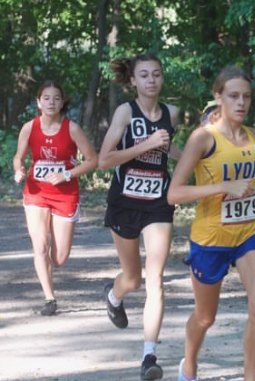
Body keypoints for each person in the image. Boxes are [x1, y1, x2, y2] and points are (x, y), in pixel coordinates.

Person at [167, 66, 255, 381]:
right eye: (233, 96)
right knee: (206, 317)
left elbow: (254, 173)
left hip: (250, 232)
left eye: (246, 96)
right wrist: (221, 188)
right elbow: (174, 193)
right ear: (218, 97)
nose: (241, 102)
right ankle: (189, 364)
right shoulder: (203, 138)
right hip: (211, 237)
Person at [98, 53, 181, 380]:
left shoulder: (172, 114)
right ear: (133, 81)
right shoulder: (125, 112)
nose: (151, 80)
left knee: (155, 278)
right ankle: (113, 295)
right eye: (144, 75)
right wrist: (145, 144)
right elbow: (105, 159)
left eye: (156, 74)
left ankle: (149, 357)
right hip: (124, 204)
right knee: (132, 279)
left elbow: (173, 150)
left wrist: (200, 154)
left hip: (158, 204)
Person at [13, 80, 98, 316]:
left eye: (56, 98)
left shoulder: (72, 129)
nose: (51, 102)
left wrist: (66, 174)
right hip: (36, 192)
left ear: (62, 103)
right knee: (40, 246)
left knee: (59, 258)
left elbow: (93, 161)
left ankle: (49, 265)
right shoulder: (30, 127)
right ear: (39, 102)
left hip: (65, 194)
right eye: (46, 98)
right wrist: (18, 170)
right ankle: (49, 298)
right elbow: (18, 157)